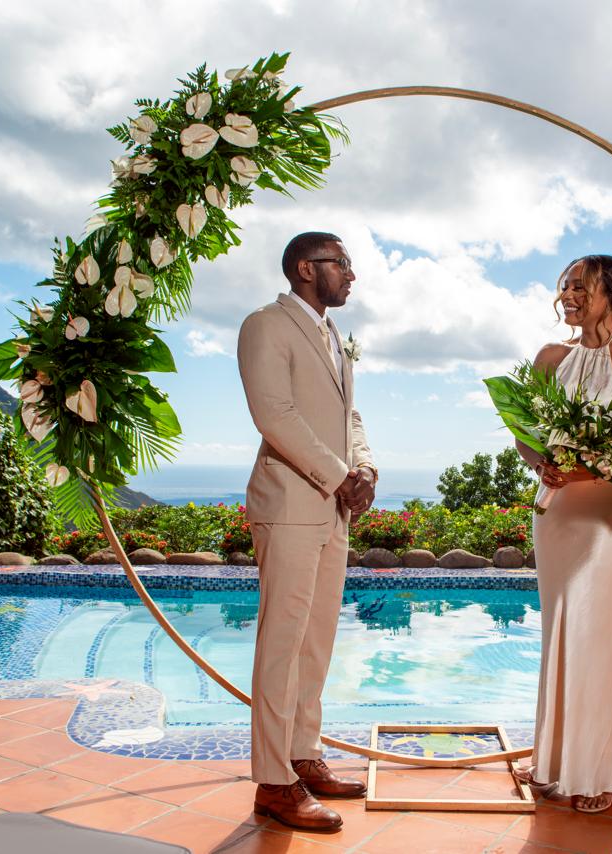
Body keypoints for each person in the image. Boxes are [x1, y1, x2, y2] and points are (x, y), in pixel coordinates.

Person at [513, 254, 612, 813]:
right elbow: (524, 434)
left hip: (610, 513)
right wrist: (543, 464)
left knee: (597, 634)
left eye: (581, 286)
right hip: (556, 510)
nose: (569, 295)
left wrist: (590, 469)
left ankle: (600, 772)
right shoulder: (549, 357)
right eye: (566, 287)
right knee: (559, 631)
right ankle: (556, 762)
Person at [236, 231, 377, 832]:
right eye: (341, 263)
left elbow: (348, 415)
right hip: (291, 504)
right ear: (305, 268)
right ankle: (273, 781)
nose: (351, 274)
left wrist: (365, 466)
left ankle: (302, 755)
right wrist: (340, 476)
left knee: (316, 642)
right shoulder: (265, 325)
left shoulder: (334, 337)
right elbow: (275, 414)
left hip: (332, 509)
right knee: (282, 644)